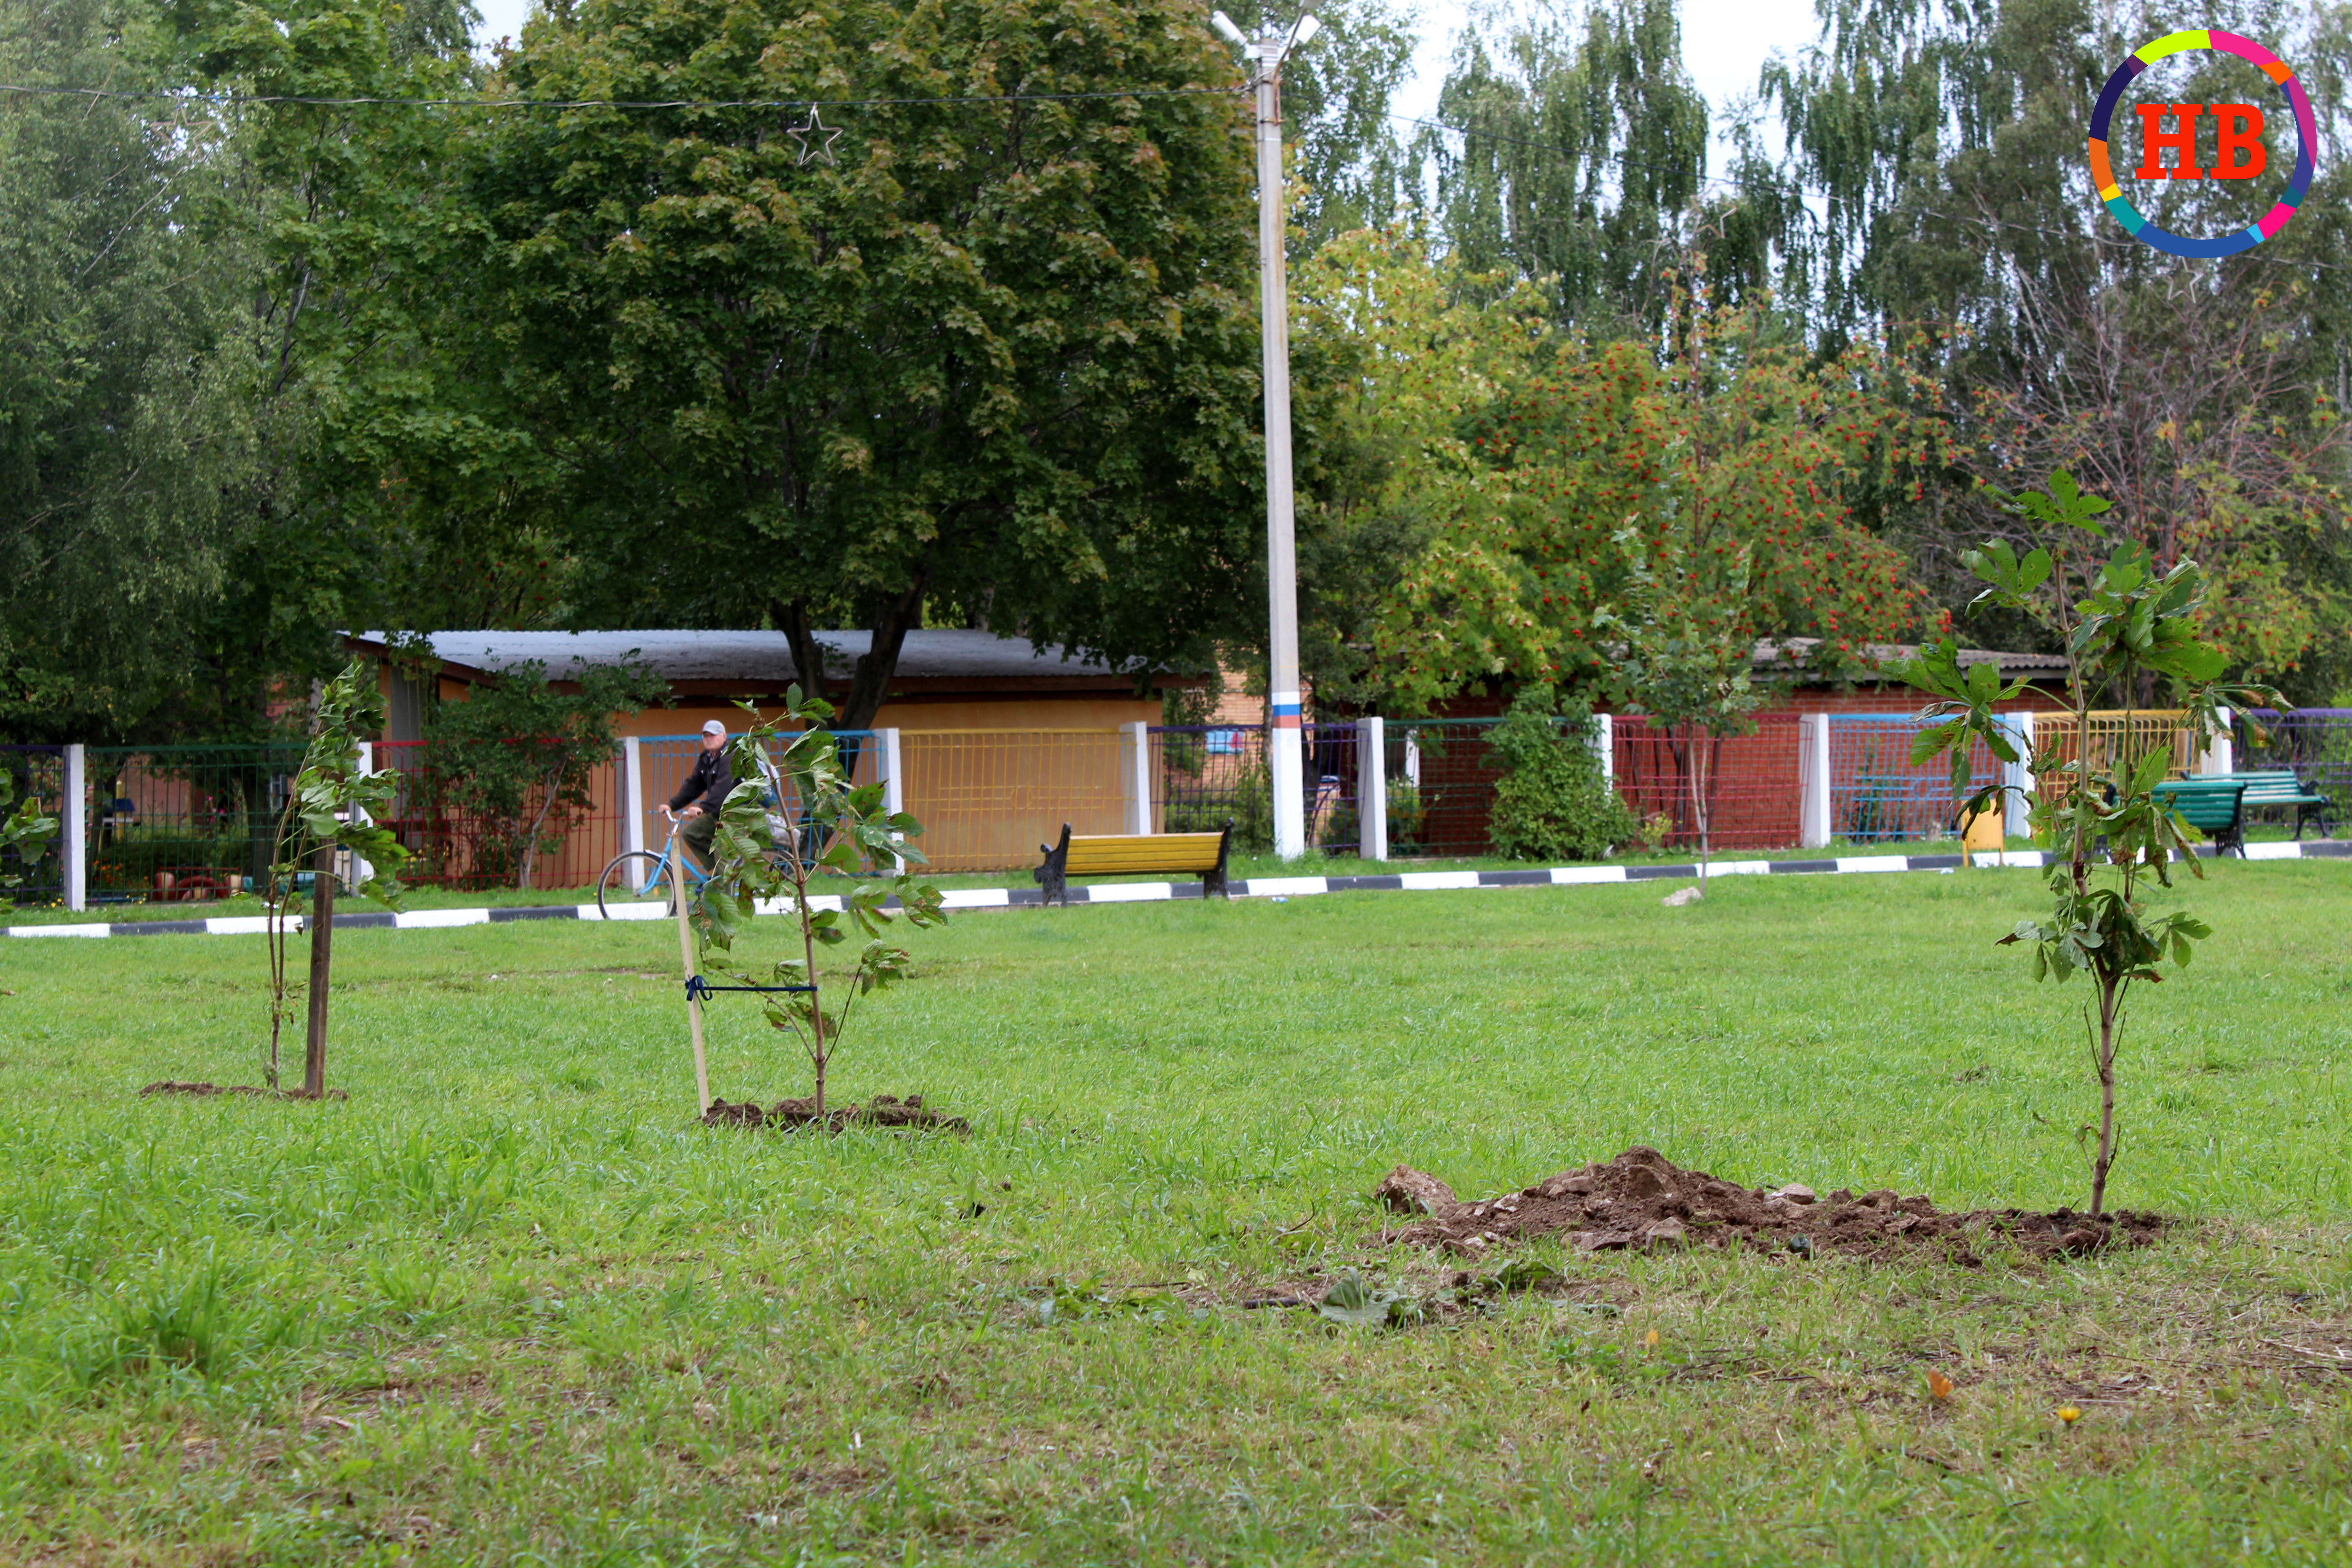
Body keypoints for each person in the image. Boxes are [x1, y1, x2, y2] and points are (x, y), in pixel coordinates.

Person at [663, 719, 735, 871]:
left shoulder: (730, 756)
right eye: (706, 736)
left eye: (713, 735)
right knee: (692, 834)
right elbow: (694, 785)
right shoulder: (707, 758)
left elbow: (723, 788)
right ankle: (719, 873)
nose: (709, 739)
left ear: (724, 736)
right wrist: (672, 805)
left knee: (723, 851)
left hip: (737, 813)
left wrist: (702, 808)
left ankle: (727, 882)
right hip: (719, 813)